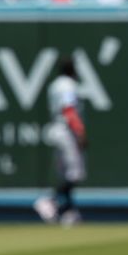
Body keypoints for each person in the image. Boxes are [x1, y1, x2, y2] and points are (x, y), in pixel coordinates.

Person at [34, 57, 87, 226]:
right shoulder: (67, 86)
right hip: (66, 132)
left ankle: (68, 211)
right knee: (75, 172)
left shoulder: (56, 85)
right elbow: (69, 109)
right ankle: (51, 202)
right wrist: (79, 131)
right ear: (72, 69)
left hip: (58, 130)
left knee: (65, 174)